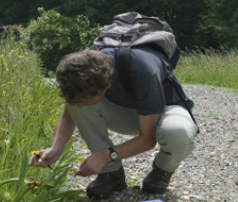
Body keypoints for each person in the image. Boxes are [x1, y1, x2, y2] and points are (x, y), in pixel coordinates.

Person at [29, 46, 198, 199]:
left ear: (107, 85)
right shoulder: (83, 68)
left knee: (178, 133)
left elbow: (148, 139)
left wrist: (105, 156)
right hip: (129, 111)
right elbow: (68, 115)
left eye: (85, 99)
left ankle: (162, 171)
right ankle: (111, 175)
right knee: (77, 106)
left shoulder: (143, 70)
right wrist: (55, 149)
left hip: (166, 108)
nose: (79, 104)